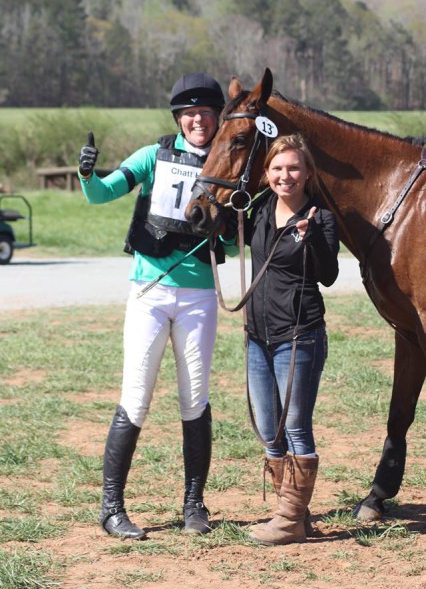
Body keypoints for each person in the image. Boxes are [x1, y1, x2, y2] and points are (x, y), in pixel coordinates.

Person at [78, 73, 238, 540]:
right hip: (150, 292)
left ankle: (194, 506)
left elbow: (229, 236)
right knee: (136, 396)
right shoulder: (153, 155)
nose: (197, 120)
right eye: (189, 114)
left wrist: (224, 221)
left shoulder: (224, 164)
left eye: (206, 113)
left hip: (200, 296)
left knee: (195, 398)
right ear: (178, 119)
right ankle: (112, 508)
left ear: (216, 119)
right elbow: (102, 193)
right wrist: (87, 172)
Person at [244, 133, 339, 546]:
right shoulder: (258, 209)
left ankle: (287, 523)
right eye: (278, 168)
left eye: (294, 168)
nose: (286, 175)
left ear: (308, 173)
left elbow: (329, 275)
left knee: (296, 426)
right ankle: (293, 514)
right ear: (266, 174)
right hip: (257, 337)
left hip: (299, 337)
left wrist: (312, 236)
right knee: (269, 430)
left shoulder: (321, 217)